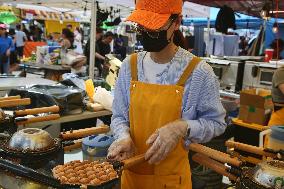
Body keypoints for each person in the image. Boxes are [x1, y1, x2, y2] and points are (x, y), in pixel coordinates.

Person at [107, 0, 226, 188]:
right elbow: (119, 116)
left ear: (177, 22)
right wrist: (123, 136)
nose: (146, 33)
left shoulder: (198, 72)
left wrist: (182, 127)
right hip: (132, 179)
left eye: (154, 28)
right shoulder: (129, 66)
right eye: (141, 27)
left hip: (172, 181)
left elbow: (216, 123)